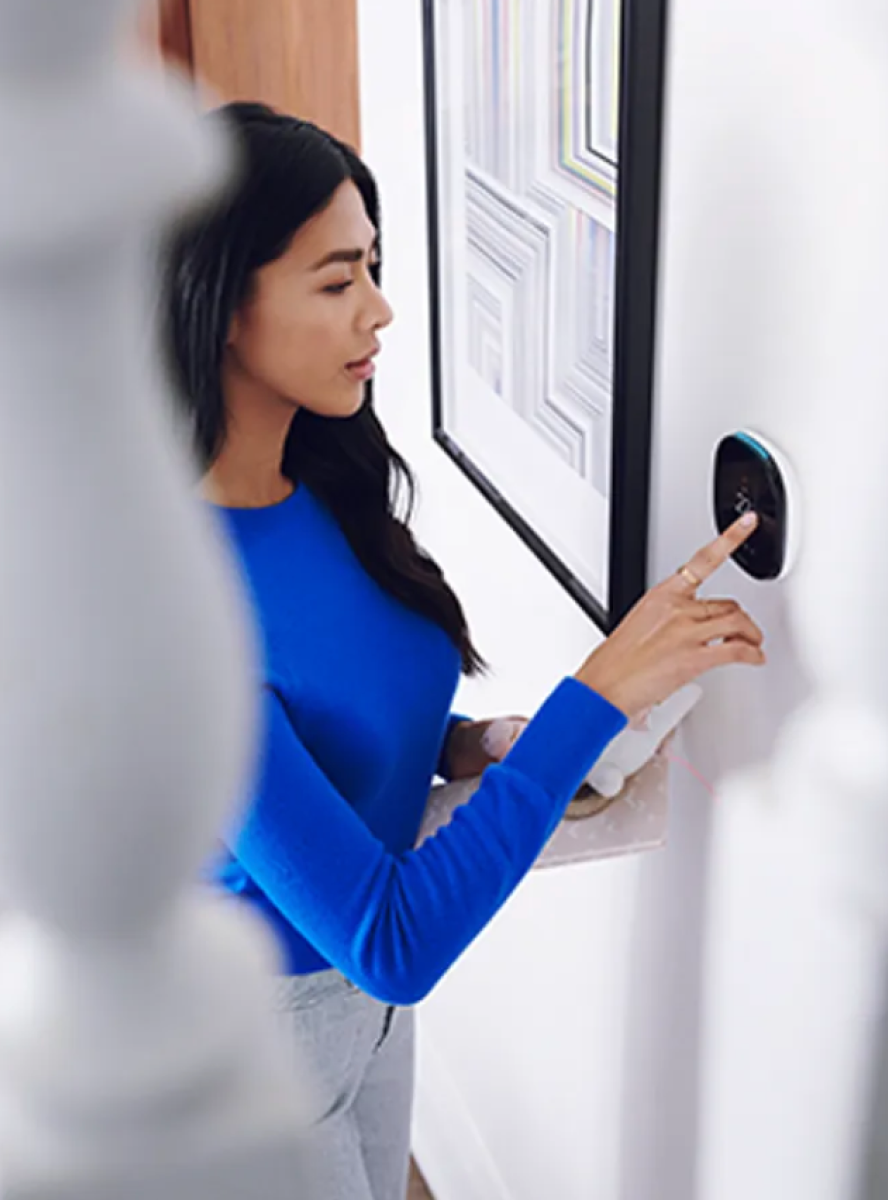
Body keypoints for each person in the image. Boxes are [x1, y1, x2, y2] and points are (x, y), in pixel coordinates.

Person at [162, 102, 766, 1200]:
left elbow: (330, 711)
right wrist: (596, 691)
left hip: (369, 1025)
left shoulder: (321, 487)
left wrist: (481, 743)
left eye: (374, 270)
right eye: (337, 281)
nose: (381, 312)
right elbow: (386, 935)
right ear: (220, 303)